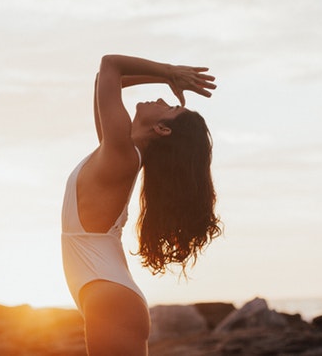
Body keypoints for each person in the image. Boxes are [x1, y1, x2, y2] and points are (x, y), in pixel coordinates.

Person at [61, 54, 221, 355]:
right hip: (106, 293)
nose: (162, 98)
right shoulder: (118, 152)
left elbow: (110, 65)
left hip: (109, 295)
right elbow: (105, 82)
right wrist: (166, 77)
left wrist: (169, 72)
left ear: (162, 129)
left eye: (170, 108)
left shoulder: (120, 156)